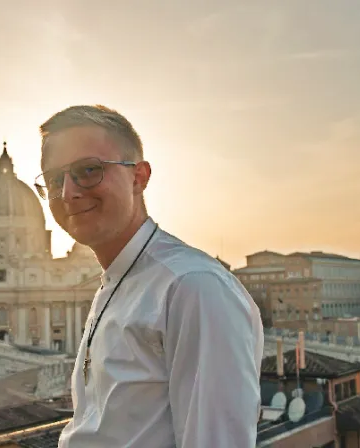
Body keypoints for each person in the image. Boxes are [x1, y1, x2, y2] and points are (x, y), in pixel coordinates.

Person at [35, 105, 264, 448]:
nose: (68, 192)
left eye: (88, 170)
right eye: (55, 180)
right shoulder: (118, 281)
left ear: (139, 177)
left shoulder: (192, 287)